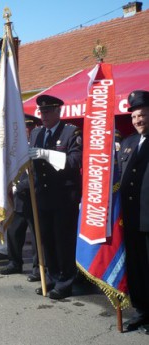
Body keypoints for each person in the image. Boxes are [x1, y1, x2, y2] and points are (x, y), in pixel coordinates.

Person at [28, 95, 82, 300]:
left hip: (64, 197)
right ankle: (50, 276)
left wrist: (46, 154)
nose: (44, 115)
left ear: (59, 111)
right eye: (41, 112)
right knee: (47, 241)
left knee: (63, 241)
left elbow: (74, 161)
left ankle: (65, 281)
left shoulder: (70, 132)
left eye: (49, 111)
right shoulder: (36, 133)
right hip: (42, 195)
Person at [119, 90, 149, 334]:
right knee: (136, 268)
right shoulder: (128, 142)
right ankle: (141, 310)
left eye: (143, 114)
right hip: (130, 219)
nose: (138, 120)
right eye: (134, 116)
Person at [0, 115, 41, 281]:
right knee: (14, 231)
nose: (26, 130)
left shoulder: (37, 144)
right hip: (18, 198)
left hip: (34, 197)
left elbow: (37, 174)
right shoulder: (16, 146)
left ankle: (38, 268)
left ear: (33, 127)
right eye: (23, 127)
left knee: (37, 237)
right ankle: (14, 262)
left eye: (28, 127)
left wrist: (17, 186)